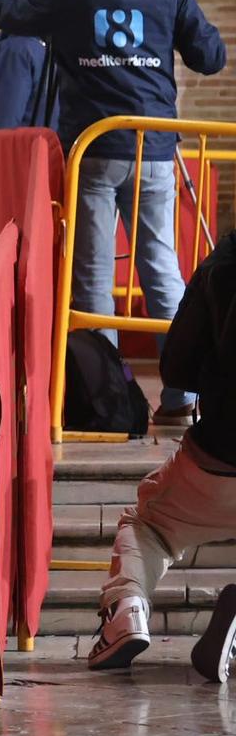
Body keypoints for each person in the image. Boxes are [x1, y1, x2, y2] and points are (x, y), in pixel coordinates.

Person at [0, 0, 226, 424]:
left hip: (94, 151)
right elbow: (210, 57)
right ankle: (182, 398)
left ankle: (109, 400)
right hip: (155, 147)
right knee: (161, 270)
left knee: (90, 279)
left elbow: (8, 14)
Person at [88, 227, 236, 682]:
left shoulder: (226, 258)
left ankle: (128, 609)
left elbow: (178, 367)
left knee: (147, 524)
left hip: (219, 458)